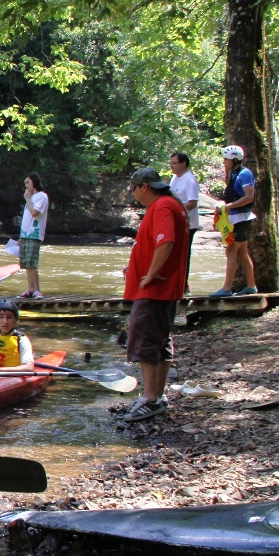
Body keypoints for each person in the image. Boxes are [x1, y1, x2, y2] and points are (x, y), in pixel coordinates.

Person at [121, 167, 188, 422]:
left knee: (146, 339)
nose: (133, 193)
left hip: (154, 290)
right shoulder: (170, 205)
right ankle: (157, 396)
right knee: (160, 338)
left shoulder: (161, 206)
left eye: (133, 188)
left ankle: (150, 398)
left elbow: (166, 241)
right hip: (160, 289)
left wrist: (149, 274)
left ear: (144, 187)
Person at [212, 144, 257, 296]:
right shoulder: (234, 174)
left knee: (231, 251)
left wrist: (229, 206)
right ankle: (251, 286)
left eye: (226, 160)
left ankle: (226, 288)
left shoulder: (245, 174)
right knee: (242, 253)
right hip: (236, 218)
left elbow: (249, 197)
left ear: (235, 160)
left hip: (242, 218)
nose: (224, 162)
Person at [167, 152, 200, 294]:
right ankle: (174, 282)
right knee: (172, 253)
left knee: (183, 254)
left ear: (183, 163)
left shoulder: (190, 180)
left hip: (188, 224)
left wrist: (175, 209)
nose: (171, 166)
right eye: (171, 163)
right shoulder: (174, 178)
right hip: (174, 222)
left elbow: (192, 203)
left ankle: (183, 285)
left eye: (174, 163)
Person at [18, 173, 50, 299]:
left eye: (27, 183)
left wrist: (27, 199)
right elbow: (26, 218)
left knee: (32, 262)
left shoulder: (42, 196)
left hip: (34, 234)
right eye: (25, 183)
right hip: (25, 235)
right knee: (26, 263)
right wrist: (21, 236)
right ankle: (30, 289)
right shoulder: (30, 197)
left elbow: (34, 212)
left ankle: (37, 290)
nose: (25, 185)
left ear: (34, 182)